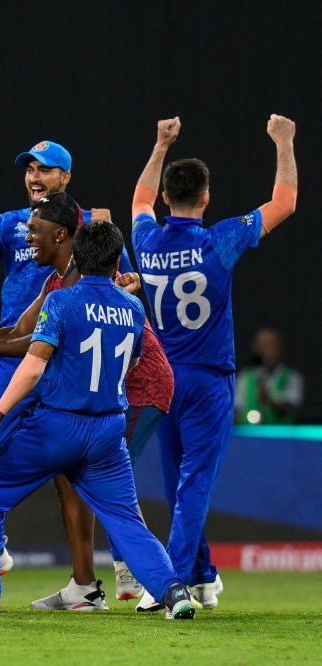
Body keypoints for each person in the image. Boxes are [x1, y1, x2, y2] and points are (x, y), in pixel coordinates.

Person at [0, 193, 175, 608]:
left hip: (74, 418)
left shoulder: (63, 298)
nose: (29, 238)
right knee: (124, 516)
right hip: (108, 425)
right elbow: (130, 359)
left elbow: (33, 365)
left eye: (36, 230)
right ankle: (172, 592)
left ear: (71, 245)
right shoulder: (131, 305)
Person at [131, 115, 297, 611]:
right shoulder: (220, 240)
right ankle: (174, 581)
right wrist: (284, 142)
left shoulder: (146, 240)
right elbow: (285, 202)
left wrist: (160, 144)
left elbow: (138, 200)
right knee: (194, 485)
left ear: (167, 198)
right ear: (205, 198)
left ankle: (202, 577)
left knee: (177, 483)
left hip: (162, 380)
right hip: (207, 381)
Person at [0, 141, 134, 425]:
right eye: (30, 170)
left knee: (57, 444)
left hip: (68, 359)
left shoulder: (94, 227)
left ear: (65, 177)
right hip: (12, 354)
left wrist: (111, 230)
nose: (35, 177)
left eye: (45, 170)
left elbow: (126, 283)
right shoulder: (5, 224)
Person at [235, 328, 303, 424]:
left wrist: (268, 397)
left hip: (281, 432)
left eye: (271, 345)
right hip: (250, 432)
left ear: (279, 348)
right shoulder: (245, 377)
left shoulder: (291, 377)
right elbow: (237, 411)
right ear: (256, 349)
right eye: (263, 345)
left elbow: (289, 408)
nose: (267, 350)